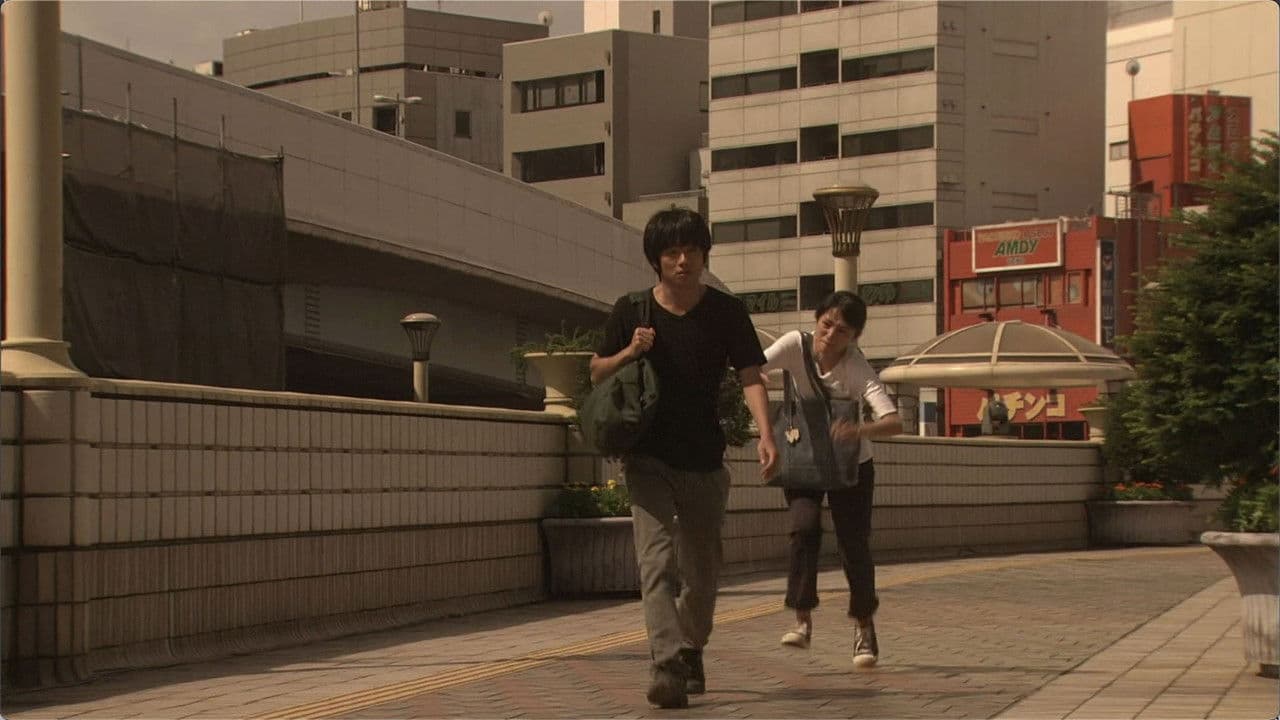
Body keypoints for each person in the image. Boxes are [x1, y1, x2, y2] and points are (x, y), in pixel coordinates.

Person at [591, 207, 778, 709]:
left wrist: (766, 434)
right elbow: (596, 371)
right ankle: (667, 665)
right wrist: (630, 352)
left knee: (702, 571)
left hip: (704, 460)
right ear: (656, 259)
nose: (682, 261)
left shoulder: (725, 312)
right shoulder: (632, 310)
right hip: (647, 458)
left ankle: (691, 646)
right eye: (671, 252)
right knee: (655, 564)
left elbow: (750, 376)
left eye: (691, 250)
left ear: (703, 254)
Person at [761, 290, 901, 669]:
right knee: (804, 528)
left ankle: (864, 626)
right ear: (817, 319)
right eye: (827, 324)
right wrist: (764, 427)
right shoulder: (794, 345)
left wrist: (858, 430)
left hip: (850, 464)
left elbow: (893, 421)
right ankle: (802, 619)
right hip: (803, 457)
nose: (830, 335)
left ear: (854, 337)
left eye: (842, 331)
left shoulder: (856, 366)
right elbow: (753, 369)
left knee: (853, 544)